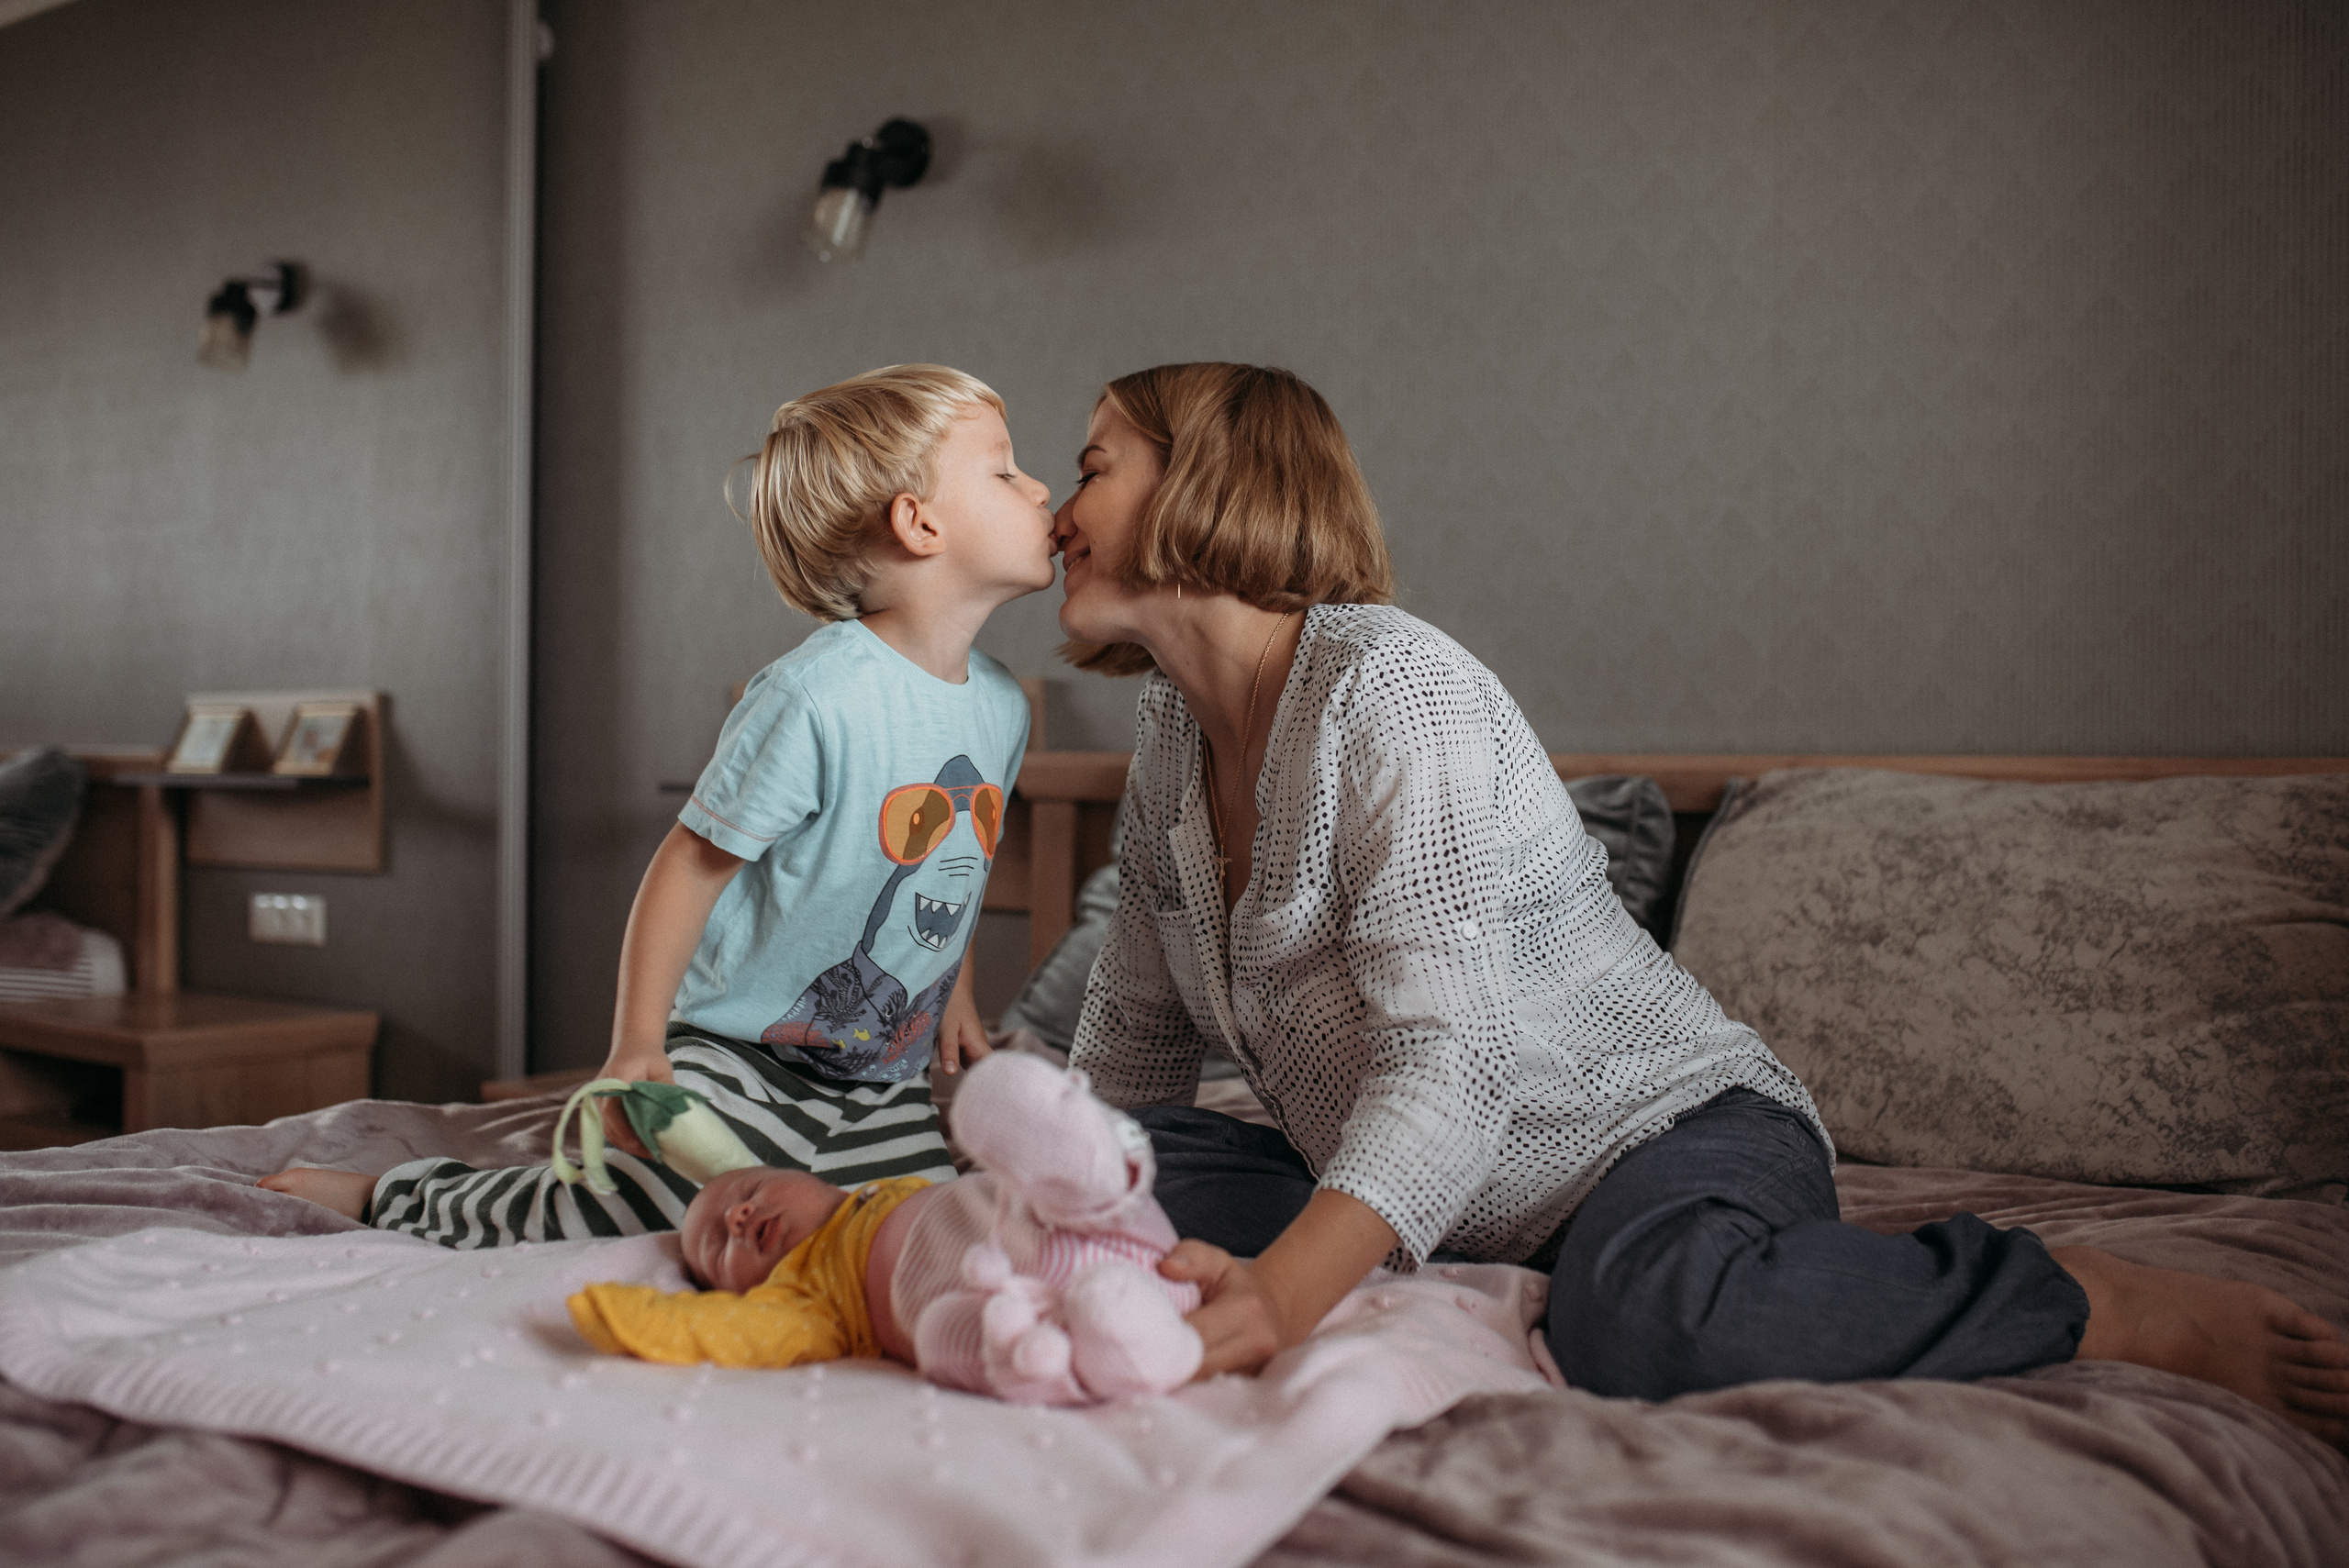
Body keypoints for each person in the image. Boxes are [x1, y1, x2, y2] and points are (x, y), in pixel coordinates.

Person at [1053, 361, 2349, 1447]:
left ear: (1210, 478)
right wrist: (1050, 1191)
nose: (1061, 512)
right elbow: (1135, 1049)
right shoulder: (1173, 732)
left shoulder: (1388, 690)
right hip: (1439, 1188)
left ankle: (2090, 1297)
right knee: (1120, 1186)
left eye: (1093, 466)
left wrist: (1281, 1300)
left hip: (1658, 1134)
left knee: (1647, 1317)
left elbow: (1451, 1071)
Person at [262, 364, 1056, 1243]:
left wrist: (954, 989)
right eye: (1007, 471)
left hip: (883, 1079)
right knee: (638, 1211)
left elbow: (958, 869)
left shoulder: (1002, 705)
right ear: (921, 520)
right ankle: (396, 1194)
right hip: (747, 1053)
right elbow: (687, 865)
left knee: (929, 1235)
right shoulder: (815, 697)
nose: (1042, 488)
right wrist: (637, 1046)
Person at [567, 1051, 1204, 1406]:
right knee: (952, 1340)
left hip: (1045, 1226)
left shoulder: (876, 1192)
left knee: (1035, 1190)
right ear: (732, 1290)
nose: (737, 1216)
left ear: (806, 1176)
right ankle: (1097, 1350)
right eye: (715, 1246)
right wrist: (630, 1314)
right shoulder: (801, 1296)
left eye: (750, 1190)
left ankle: (1092, 1169)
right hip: (1017, 1305)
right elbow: (728, 1334)